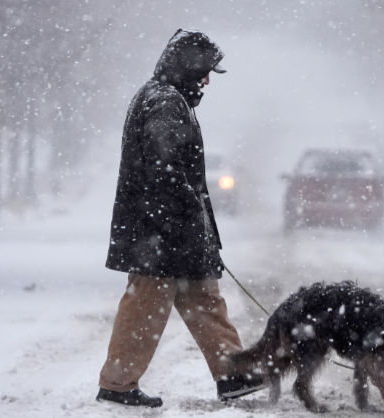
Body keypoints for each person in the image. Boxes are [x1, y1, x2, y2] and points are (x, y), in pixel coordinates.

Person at [96, 29, 264, 408]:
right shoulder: (164, 102)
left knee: (204, 299)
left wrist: (197, 230)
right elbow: (165, 169)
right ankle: (118, 384)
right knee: (146, 307)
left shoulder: (169, 99)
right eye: (204, 71)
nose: (207, 80)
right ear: (186, 67)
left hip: (171, 231)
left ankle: (232, 374)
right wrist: (187, 220)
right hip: (159, 233)